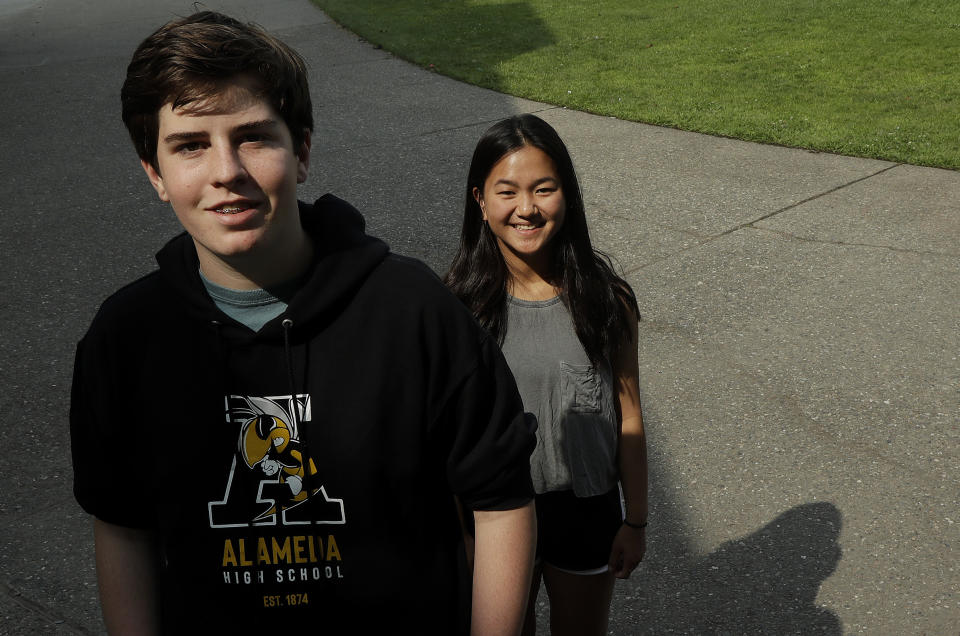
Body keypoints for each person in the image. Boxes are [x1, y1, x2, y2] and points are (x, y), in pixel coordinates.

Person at [69, 12, 536, 635]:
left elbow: (501, 501)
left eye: (254, 137)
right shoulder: (125, 339)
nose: (225, 171)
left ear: (304, 150)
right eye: (190, 145)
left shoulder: (413, 311)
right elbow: (122, 527)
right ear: (155, 173)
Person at [445, 114, 648, 636]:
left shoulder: (607, 300)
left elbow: (628, 412)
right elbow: (445, 433)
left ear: (568, 194)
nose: (527, 208)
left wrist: (635, 519)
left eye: (544, 188)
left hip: (587, 509)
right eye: (507, 191)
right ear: (480, 201)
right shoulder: (458, 307)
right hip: (492, 514)